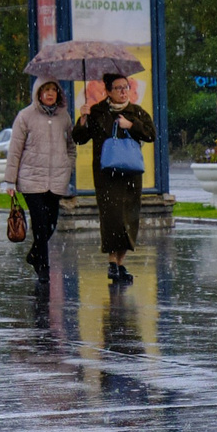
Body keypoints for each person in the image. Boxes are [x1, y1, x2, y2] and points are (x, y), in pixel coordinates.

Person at [71, 73, 154, 283]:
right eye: (118, 88)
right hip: (106, 174)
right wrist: (83, 119)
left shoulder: (136, 112)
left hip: (131, 174)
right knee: (112, 217)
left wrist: (131, 125)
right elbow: (79, 138)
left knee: (129, 217)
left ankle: (120, 263)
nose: (123, 91)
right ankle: (111, 261)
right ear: (108, 91)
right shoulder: (97, 111)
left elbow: (151, 134)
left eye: (126, 87)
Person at [1, 79, 74, 273]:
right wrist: (10, 180)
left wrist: (68, 166)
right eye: (46, 90)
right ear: (38, 93)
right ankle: (43, 268)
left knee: (51, 223)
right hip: (31, 179)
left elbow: (71, 146)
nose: (50, 94)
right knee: (40, 223)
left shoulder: (64, 117)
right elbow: (15, 149)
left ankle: (34, 254)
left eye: (54, 90)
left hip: (56, 180)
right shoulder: (25, 116)